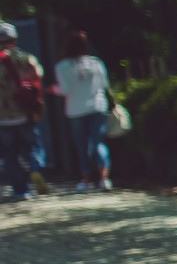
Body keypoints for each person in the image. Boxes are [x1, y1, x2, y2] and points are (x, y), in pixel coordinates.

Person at [55, 31, 113, 192]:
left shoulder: (62, 66)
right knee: (98, 142)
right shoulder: (95, 63)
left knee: (82, 145)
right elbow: (105, 84)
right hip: (98, 106)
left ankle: (86, 179)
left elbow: (65, 89)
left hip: (76, 109)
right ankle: (104, 178)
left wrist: (54, 89)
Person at [0, 23, 47, 202]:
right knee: (32, 145)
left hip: (2, 117)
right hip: (25, 112)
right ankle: (35, 169)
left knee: (9, 154)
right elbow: (38, 79)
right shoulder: (26, 58)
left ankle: (20, 190)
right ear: (15, 39)